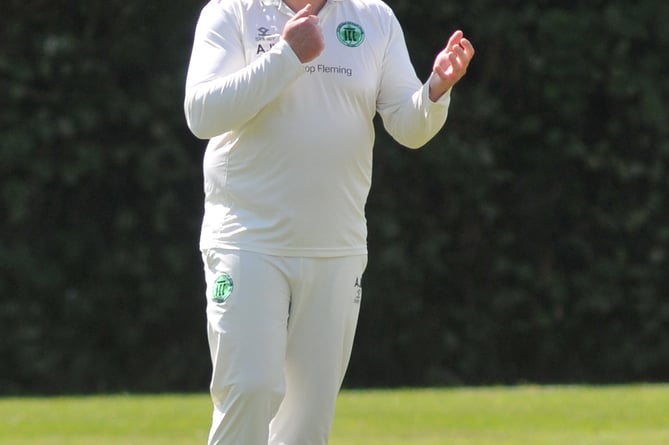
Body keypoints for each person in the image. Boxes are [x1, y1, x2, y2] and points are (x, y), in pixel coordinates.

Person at [183, 0, 474, 443]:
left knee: (308, 420)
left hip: (335, 245)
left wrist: (435, 89)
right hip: (247, 239)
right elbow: (202, 114)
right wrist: (286, 56)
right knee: (250, 388)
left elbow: (408, 125)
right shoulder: (231, 12)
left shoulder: (373, 17)